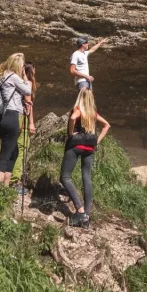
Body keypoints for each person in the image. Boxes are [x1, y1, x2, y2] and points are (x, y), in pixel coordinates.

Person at [60, 88, 110, 227]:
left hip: (77, 145)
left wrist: (71, 133)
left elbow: (72, 118)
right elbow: (107, 125)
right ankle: (87, 216)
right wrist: (96, 141)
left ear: (80, 97)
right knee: (86, 177)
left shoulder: (78, 109)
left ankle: (80, 210)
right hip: (90, 146)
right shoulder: (93, 113)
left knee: (65, 177)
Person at [0, 52, 31, 184]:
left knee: (14, 153)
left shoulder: (1, 77)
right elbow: (28, 90)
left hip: (0, 119)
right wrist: (25, 77)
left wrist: (22, 103)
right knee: (4, 156)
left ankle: (6, 186)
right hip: (11, 118)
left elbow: (9, 96)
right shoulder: (13, 77)